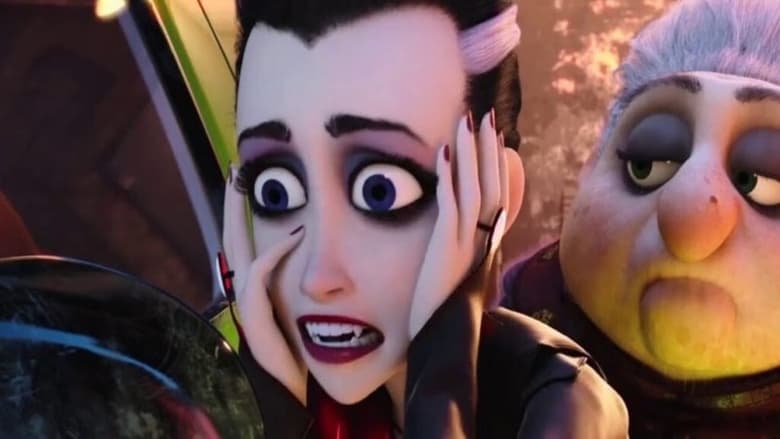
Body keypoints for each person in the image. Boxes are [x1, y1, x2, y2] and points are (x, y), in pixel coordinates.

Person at [208, 0, 629, 438]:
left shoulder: (562, 404)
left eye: (380, 191)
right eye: (274, 192)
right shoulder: (276, 395)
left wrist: (441, 373)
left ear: (495, 194)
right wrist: (270, 410)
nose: (318, 278)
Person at [502, 0, 780, 436]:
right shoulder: (468, 361)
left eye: (762, 179)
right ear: (589, 168)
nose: (691, 216)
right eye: (647, 162)